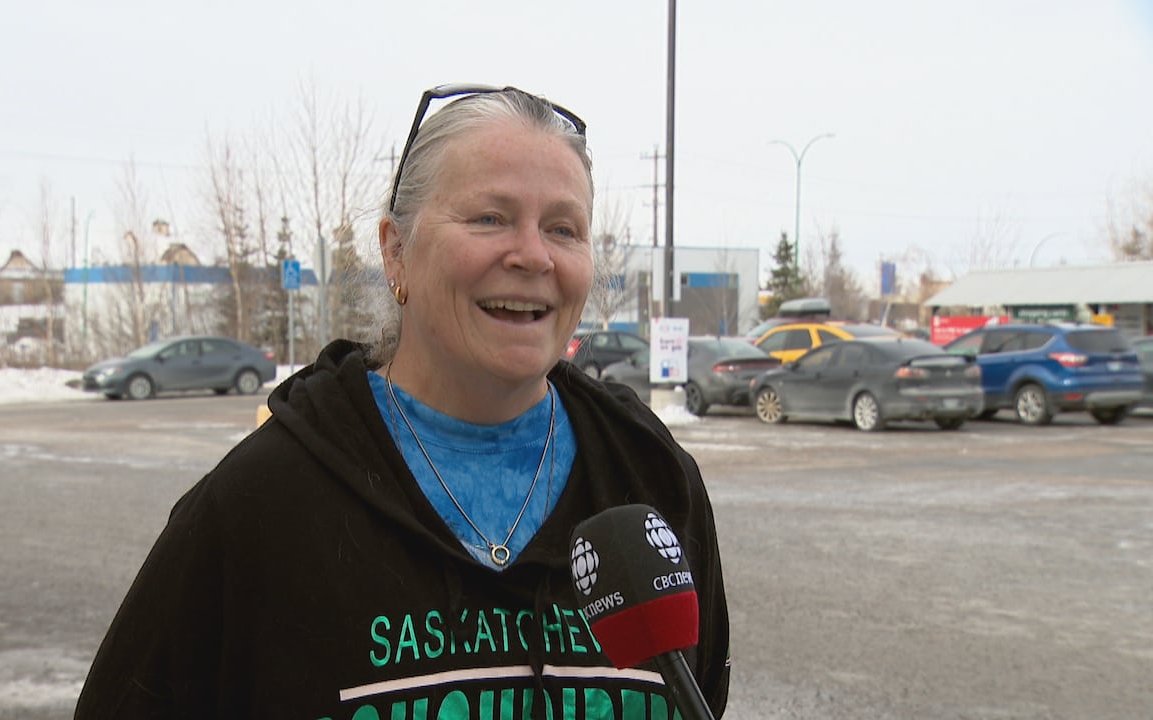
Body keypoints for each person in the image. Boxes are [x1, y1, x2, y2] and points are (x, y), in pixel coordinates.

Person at [75, 84, 730, 719]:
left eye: (564, 229)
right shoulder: (261, 504)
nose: (533, 255)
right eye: (489, 218)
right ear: (395, 250)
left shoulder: (653, 481)